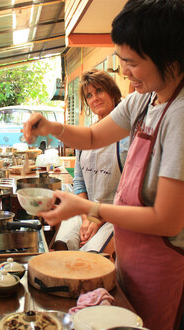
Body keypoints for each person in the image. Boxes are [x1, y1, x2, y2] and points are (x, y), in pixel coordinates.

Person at [23, 1, 184, 329]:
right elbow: (95, 136)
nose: (123, 72)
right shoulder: (144, 100)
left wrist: (89, 208)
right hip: (130, 252)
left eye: (131, 63)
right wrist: (53, 128)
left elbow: (166, 220)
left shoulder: (180, 116)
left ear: (169, 56)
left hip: (162, 263)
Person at [53, 69, 129, 252]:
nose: (94, 98)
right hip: (85, 210)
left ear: (112, 92)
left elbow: (129, 191)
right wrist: (87, 217)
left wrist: (98, 219)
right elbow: (79, 182)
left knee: (89, 256)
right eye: (89, 95)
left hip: (115, 215)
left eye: (99, 91)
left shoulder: (128, 135)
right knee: (61, 245)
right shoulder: (85, 136)